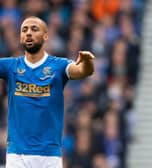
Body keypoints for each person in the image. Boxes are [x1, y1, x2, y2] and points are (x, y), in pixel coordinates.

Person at [0, 16, 95, 168]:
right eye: (24, 30)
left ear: (46, 36)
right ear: (20, 37)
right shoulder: (11, 66)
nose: (28, 33)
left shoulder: (58, 66)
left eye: (34, 29)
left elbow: (82, 71)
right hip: (17, 154)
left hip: (49, 155)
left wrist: (88, 62)